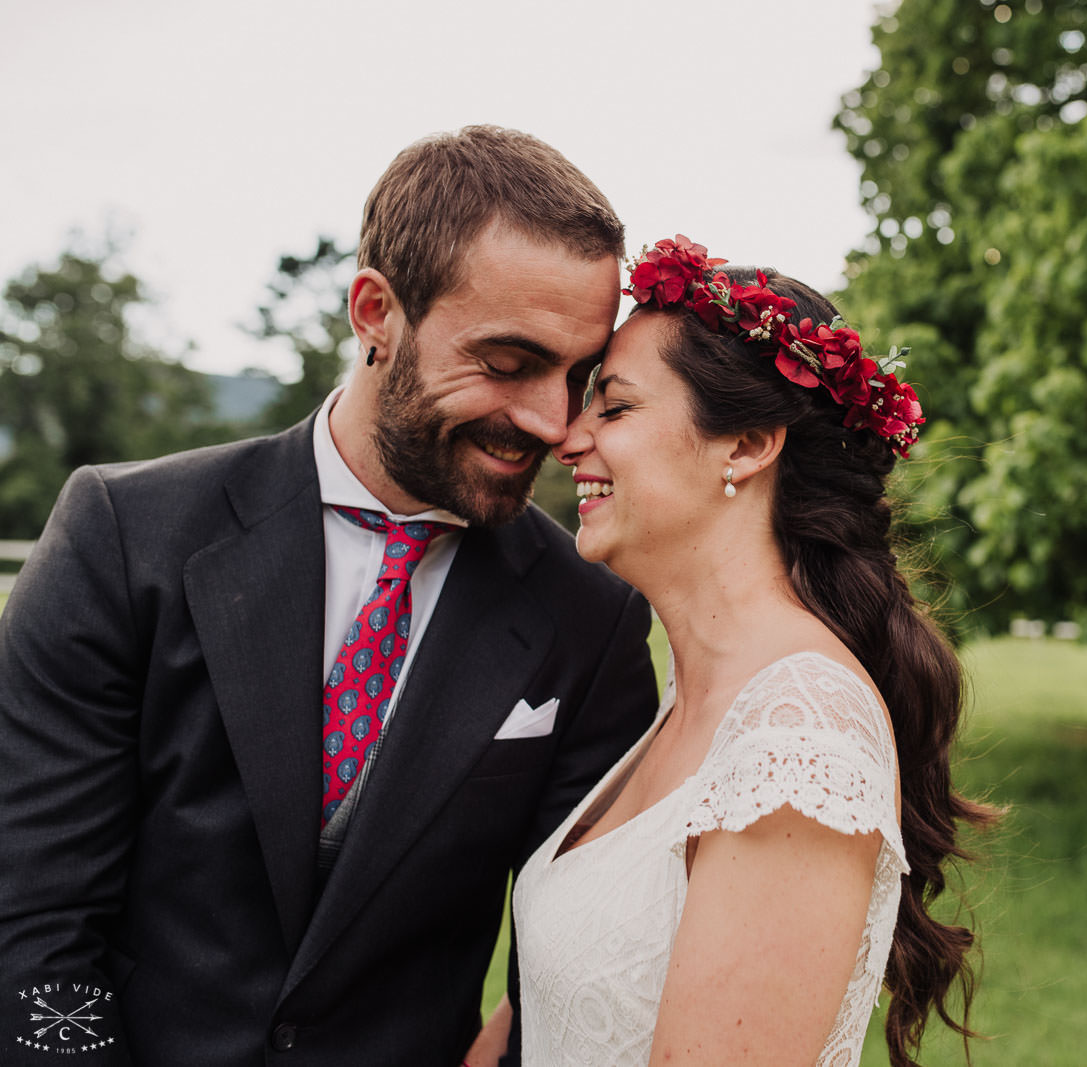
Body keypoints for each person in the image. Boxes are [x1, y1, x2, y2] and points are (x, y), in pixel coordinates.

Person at [0, 126, 659, 1065]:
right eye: (509, 363)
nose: (553, 421)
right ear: (375, 312)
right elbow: (35, 921)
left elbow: (564, 977)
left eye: (578, 376)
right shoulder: (121, 536)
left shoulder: (591, 617)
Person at [470, 236, 994, 1067]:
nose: (567, 438)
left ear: (746, 446)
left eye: (613, 406)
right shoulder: (692, 696)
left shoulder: (797, 740)